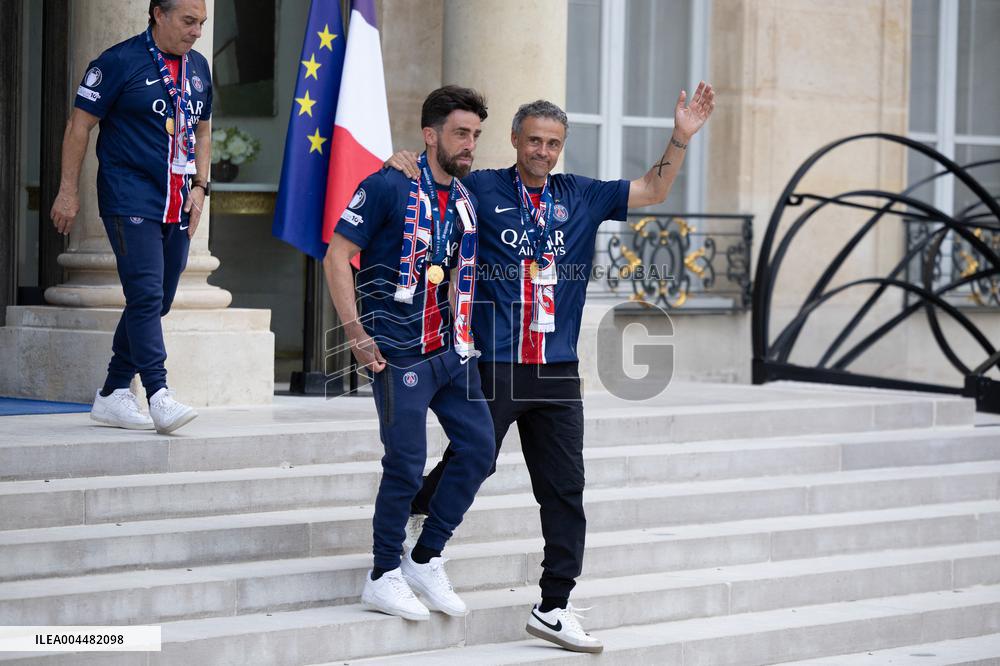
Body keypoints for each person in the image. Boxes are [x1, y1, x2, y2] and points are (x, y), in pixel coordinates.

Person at [386, 82, 715, 651]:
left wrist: (680, 137)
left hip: (558, 369)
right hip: (497, 360)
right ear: (514, 140)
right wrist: (397, 163)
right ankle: (414, 525)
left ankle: (554, 605)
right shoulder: (482, 185)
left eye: (553, 143)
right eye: (534, 140)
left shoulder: (580, 194)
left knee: (565, 490)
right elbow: (428, 179)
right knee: (474, 460)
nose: (542, 151)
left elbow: (654, 189)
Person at [323, 86, 496, 621]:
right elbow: (337, 256)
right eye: (460, 133)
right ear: (430, 135)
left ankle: (425, 555)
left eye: (475, 135)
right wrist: (355, 333)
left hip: (449, 350)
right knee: (405, 464)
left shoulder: (466, 197)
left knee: (480, 450)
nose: (469, 145)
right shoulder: (386, 184)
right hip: (396, 352)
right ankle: (382, 575)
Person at [50, 0, 212, 434]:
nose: (196, 32)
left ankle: (112, 392)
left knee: (157, 298)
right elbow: (78, 126)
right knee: (144, 293)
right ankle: (158, 393)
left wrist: (200, 186)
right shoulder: (117, 61)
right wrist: (68, 192)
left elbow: (202, 128)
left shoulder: (197, 67)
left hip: (176, 199)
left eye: (201, 24)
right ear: (158, 14)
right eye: (188, 21)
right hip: (129, 196)